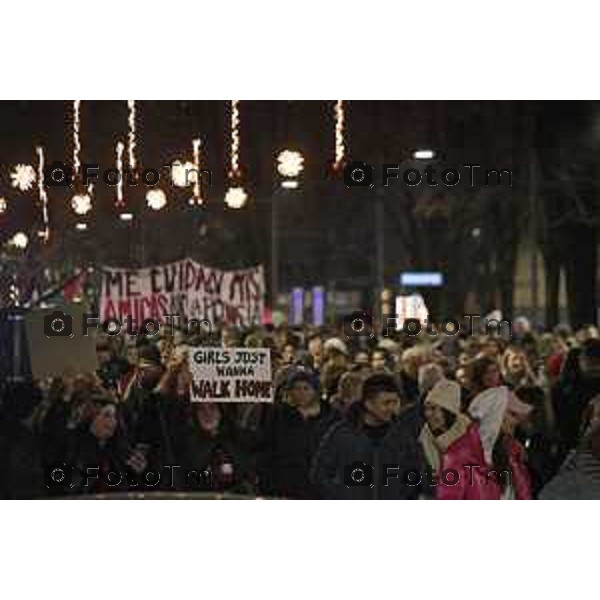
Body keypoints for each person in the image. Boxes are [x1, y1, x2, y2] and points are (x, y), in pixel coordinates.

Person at [312, 373, 423, 499]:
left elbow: (415, 472)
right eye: (386, 403)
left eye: (395, 402)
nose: (392, 408)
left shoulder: (403, 434)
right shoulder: (342, 434)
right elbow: (319, 474)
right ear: (368, 404)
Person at [419, 379, 500, 500]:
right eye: (427, 408)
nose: (429, 414)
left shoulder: (470, 434)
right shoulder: (423, 436)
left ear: (449, 411)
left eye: (435, 409)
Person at [257, 368, 328, 498]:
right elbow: (267, 448)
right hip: (285, 485)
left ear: (315, 391)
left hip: (319, 487)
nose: (301, 393)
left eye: (306, 388)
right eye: (297, 388)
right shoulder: (279, 416)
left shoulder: (329, 417)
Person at [469, 387, 533, 499]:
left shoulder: (511, 451)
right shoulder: (471, 457)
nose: (517, 421)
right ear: (496, 417)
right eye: (513, 414)